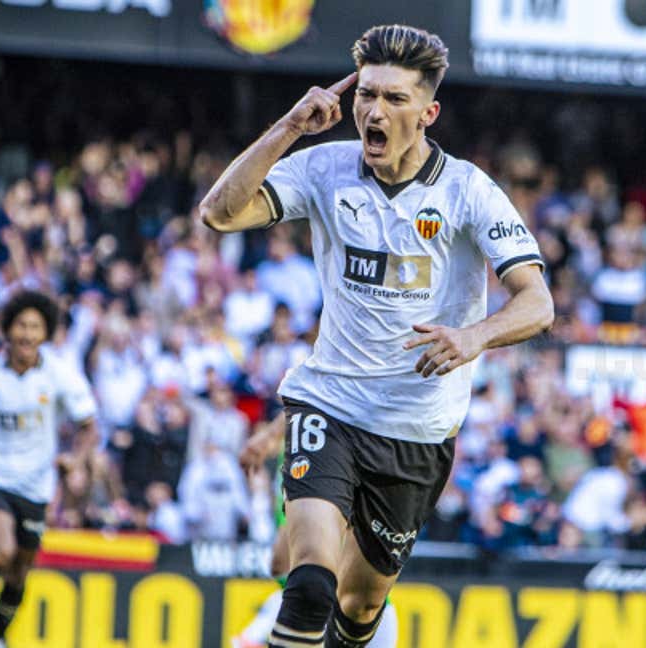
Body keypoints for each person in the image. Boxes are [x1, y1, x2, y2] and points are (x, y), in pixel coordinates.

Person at [199, 24, 553, 648]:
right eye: (367, 95)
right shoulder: (325, 167)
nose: (373, 111)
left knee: (359, 609)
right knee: (308, 584)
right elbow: (220, 213)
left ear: (428, 112)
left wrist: (474, 337)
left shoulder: (467, 190)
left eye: (394, 99)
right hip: (327, 405)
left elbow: (538, 302)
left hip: (417, 431)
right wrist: (287, 128)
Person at [0, 290, 98, 648]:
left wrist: (77, 461)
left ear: (45, 333)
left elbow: (89, 424)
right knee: (0, 552)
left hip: (36, 484)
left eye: (36, 327)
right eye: (21, 325)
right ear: (8, 329)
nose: (28, 335)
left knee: (19, 571)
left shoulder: (60, 373)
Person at [232, 416, 398, 648]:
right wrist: (271, 435)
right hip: (309, 453)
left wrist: (271, 435)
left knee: (302, 569)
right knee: (292, 569)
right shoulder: (303, 424)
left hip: (358, 613)